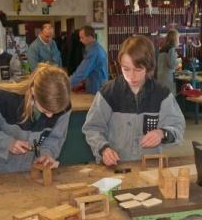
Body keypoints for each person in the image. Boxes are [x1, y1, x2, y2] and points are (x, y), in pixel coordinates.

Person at [83, 35, 185, 166]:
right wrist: (103, 149)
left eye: (138, 69)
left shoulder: (162, 95)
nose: (131, 76)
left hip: (150, 167)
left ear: (148, 67)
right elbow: (92, 127)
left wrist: (162, 133)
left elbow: (178, 127)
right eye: (126, 69)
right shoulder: (108, 93)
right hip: (115, 167)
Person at [0, 63, 71, 174]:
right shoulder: (1, 99)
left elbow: (55, 138)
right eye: (45, 110)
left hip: (27, 170)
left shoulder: (62, 105)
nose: (50, 116)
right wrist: (7, 143)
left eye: (54, 113)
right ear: (33, 92)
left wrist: (46, 154)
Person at [69, 25, 109, 94]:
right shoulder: (97, 47)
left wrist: (66, 84)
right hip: (100, 84)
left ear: (90, 37)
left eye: (82, 38)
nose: (80, 40)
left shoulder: (93, 51)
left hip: (96, 87)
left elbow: (82, 72)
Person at [156, 29, 179, 94]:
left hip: (160, 76)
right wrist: (178, 62)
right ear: (175, 38)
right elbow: (171, 65)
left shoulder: (162, 49)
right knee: (169, 97)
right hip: (168, 77)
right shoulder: (171, 49)